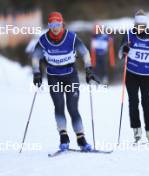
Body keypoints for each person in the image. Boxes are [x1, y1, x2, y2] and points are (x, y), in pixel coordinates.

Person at [32, 12, 99, 151]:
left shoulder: (71, 37)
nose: (55, 27)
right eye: (51, 25)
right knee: (59, 106)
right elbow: (35, 56)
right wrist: (36, 73)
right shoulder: (44, 39)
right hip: (53, 76)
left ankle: (81, 139)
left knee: (73, 107)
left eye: (57, 24)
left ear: (62, 24)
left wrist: (88, 70)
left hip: (70, 76)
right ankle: (63, 137)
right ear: (49, 25)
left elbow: (85, 53)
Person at [118, 9, 149, 143]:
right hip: (131, 74)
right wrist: (124, 50)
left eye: (142, 26)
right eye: (138, 26)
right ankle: (137, 131)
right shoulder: (128, 36)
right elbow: (120, 54)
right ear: (135, 24)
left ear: (145, 26)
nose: (140, 28)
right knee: (133, 101)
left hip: (147, 75)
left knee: (147, 103)